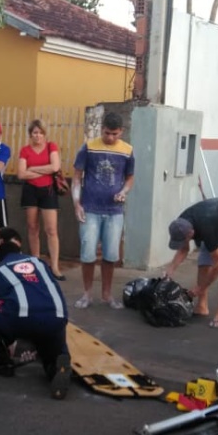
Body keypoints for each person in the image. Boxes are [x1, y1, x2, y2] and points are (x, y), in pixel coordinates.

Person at [0, 228, 72, 400]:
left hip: (22, 320)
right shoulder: (40, 263)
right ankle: (56, 364)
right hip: (57, 317)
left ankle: (1, 357)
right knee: (51, 327)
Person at [71, 112, 135, 310]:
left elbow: (130, 178)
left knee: (111, 255)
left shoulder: (127, 150)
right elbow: (77, 176)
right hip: (89, 209)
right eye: (107, 133)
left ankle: (107, 295)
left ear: (121, 131)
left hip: (114, 211)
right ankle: (87, 294)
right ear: (102, 129)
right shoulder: (89, 147)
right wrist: (77, 204)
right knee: (87, 253)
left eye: (115, 134)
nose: (110, 138)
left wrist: (123, 192)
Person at [163, 198, 218, 329]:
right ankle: (202, 306)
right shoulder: (181, 223)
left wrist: (200, 288)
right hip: (217, 220)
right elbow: (184, 249)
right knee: (203, 261)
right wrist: (170, 270)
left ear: (191, 233)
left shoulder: (207, 230)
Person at [17, 120, 64, 279]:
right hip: (30, 191)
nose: (38, 136)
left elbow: (55, 167)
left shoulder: (51, 146)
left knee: (51, 230)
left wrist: (32, 169)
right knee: (32, 227)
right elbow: (21, 174)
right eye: (35, 132)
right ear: (30, 134)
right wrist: (44, 170)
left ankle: (55, 266)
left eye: (40, 133)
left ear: (45, 134)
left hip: (48, 190)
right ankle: (36, 262)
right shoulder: (25, 150)